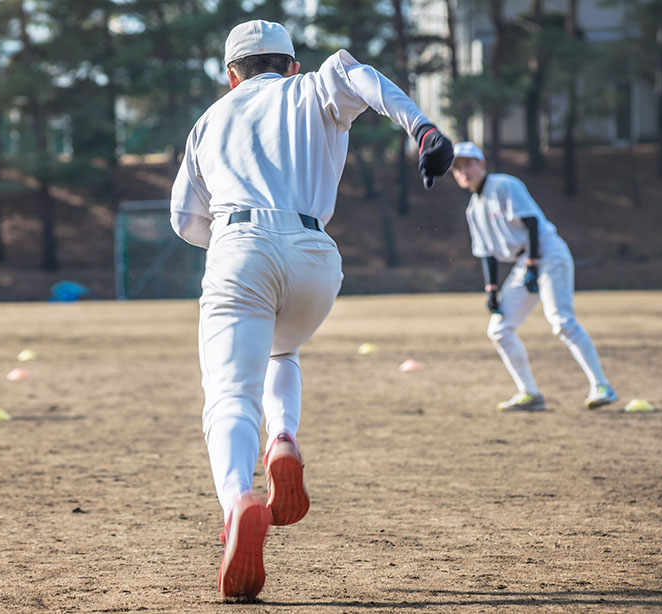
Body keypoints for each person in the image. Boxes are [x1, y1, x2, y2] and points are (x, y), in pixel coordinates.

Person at [169, 19, 453, 601]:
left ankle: (237, 506)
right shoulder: (316, 86)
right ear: (290, 64)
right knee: (283, 348)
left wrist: (231, 241)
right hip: (315, 255)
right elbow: (363, 77)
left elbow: (182, 221)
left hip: (239, 248)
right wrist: (422, 129)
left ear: (231, 75)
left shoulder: (207, 122)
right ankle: (284, 439)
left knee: (229, 395)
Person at [449, 141, 618, 412]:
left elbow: (531, 222)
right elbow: (487, 253)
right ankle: (530, 393)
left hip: (547, 253)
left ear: (482, 164)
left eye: (468, 163)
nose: (463, 171)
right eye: (457, 168)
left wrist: (532, 263)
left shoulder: (504, 184)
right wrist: (491, 288)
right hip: (524, 262)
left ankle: (602, 386)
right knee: (499, 329)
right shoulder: (473, 209)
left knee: (561, 320)